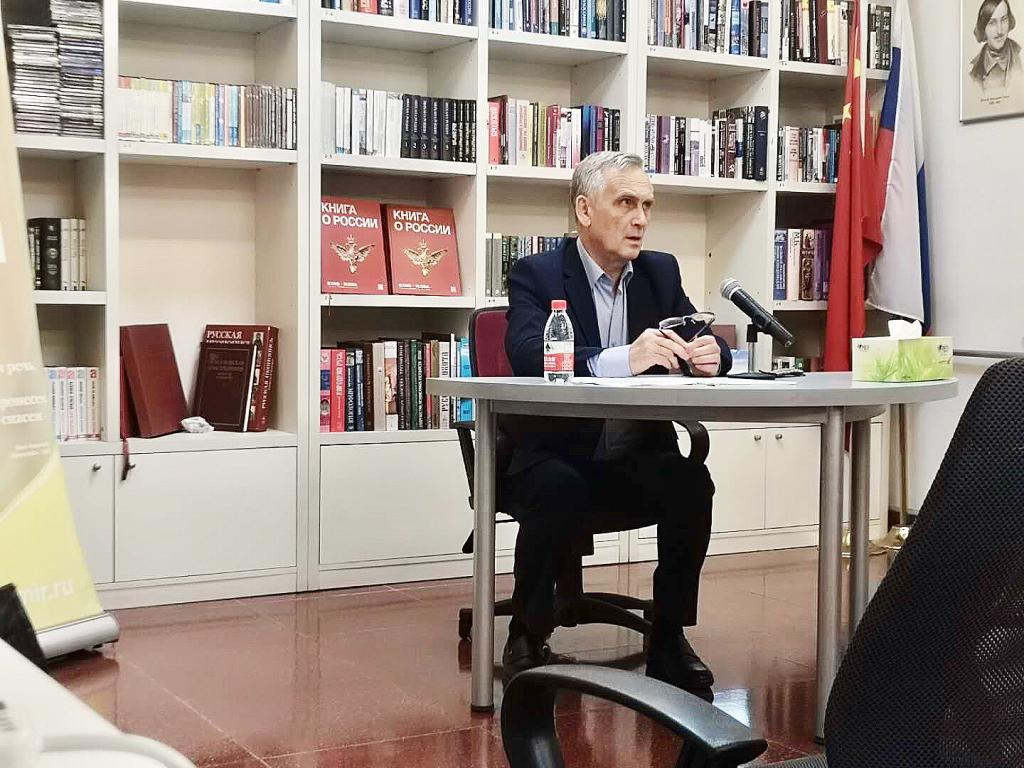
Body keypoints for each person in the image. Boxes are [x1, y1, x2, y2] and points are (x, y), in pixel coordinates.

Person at [500, 151, 732, 702]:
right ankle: (526, 630)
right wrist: (624, 357)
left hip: (632, 456)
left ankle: (668, 635)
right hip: (552, 454)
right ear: (584, 210)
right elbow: (528, 353)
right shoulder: (537, 273)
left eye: (647, 205)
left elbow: (700, 333)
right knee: (558, 487)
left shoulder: (659, 272)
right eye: (626, 203)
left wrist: (713, 354)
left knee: (690, 483)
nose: (640, 219)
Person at [969, 0, 1022, 94]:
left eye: (1004, 20)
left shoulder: (1020, 56)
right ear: (983, 27)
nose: (999, 31)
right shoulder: (974, 71)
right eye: (992, 23)